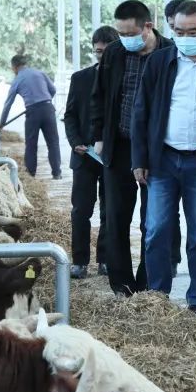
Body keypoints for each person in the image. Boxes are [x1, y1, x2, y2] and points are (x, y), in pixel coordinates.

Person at [131, 0, 196, 312]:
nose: (185, 37)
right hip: (163, 159)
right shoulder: (159, 62)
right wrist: (140, 159)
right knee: (156, 231)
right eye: (179, 31)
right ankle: (158, 296)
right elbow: (141, 111)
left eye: (193, 32)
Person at [91, 0, 174, 296]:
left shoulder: (169, 53)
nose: (124, 38)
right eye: (121, 33)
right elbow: (99, 96)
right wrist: (99, 135)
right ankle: (122, 284)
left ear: (147, 27)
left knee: (154, 219)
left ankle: (149, 282)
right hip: (120, 145)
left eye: (129, 33)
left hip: (157, 149)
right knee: (116, 216)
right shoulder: (115, 53)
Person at [64, 27, 116, 279]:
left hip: (111, 157)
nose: (101, 56)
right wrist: (75, 142)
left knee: (110, 210)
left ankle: (105, 259)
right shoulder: (80, 78)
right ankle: (79, 261)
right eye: (98, 52)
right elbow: (70, 115)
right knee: (81, 210)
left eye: (106, 52)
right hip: (84, 155)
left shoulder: (123, 79)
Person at [0, 53, 61, 179]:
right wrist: (45, 100)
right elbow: (53, 90)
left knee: (31, 144)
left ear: (14, 67)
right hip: (48, 109)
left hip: (33, 112)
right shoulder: (39, 73)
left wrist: (2, 123)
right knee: (53, 142)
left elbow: (8, 104)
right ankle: (57, 173)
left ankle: (31, 174)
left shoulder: (17, 80)